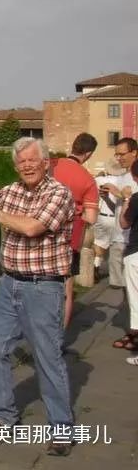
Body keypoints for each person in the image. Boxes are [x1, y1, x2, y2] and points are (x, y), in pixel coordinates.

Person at [0, 137, 75, 456]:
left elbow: (32, 227)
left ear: (46, 162)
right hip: (10, 283)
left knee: (47, 358)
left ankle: (61, 428)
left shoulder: (58, 193)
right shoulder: (10, 192)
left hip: (43, 286)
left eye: (31, 160)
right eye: (21, 162)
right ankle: (2, 417)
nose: (26, 166)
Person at [52, 133, 99, 329]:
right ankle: (59, 335)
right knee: (66, 288)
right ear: (88, 154)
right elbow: (91, 218)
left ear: (73, 146)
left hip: (42, 232)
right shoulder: (87, 179)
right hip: (70, 237)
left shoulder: (51, 165)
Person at [100, 137, 138, 296]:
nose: (119, 158)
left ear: (134, 153)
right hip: (118, 237)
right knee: (123, 289)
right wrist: (108, 197)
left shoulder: (134, 177)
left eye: (122, 154)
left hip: (131, 239)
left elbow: (133, 201)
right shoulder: (122, 177)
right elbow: (119, 208)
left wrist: (118, 193)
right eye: (117, 155)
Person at [117, 158, 138, 363]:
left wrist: (125, 201)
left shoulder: (136, 198)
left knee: (137, 302)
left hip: (136, 253)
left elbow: (124, 223)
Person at [93, 157, 125, 277]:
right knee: (116, 245)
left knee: (99, 242)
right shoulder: (124, 181)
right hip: (117, 217)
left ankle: (96, 265)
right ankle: (116, 272)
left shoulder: (100, 180)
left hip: (101, 217)